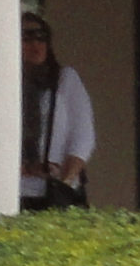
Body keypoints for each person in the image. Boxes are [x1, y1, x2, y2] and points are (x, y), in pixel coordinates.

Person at [21, 14, 95, 209]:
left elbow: (82, 135)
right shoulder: (4, 86)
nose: (35, 44)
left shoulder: (64, 79)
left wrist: (66, 181)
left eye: (41, 37)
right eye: (26, 37)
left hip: (55, 190)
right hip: (16, 190)